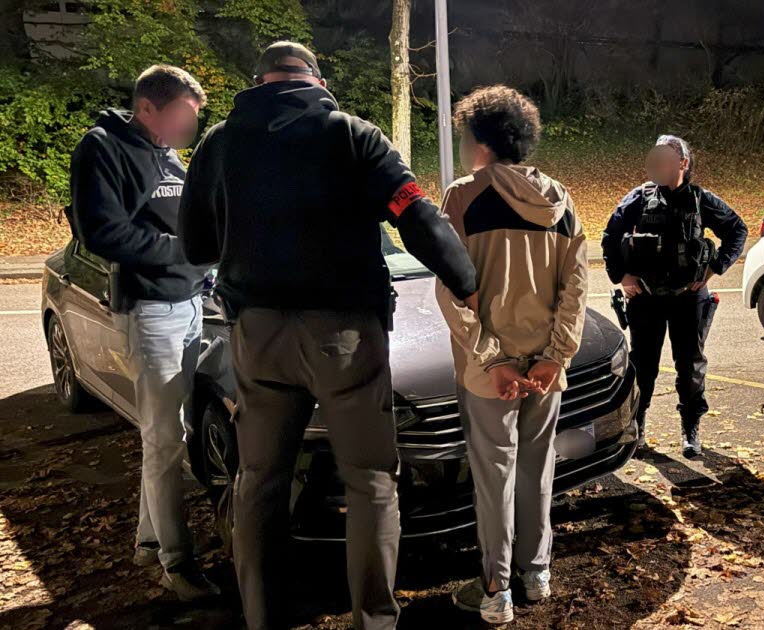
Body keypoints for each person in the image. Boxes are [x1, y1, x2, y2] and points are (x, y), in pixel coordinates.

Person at [177, 42, 477, 629]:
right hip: (345, 334)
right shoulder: (352, 135)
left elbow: (196, 247)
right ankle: (374, 619)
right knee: (369, 480)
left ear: (260, 79)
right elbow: (416, 215)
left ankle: (262, 616)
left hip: (258, 333)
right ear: (315, 78)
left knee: (259, 479)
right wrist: (468, 284)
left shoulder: (218, 143)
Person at [435, 85, 588, 625]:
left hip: (488, 373)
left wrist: (492, 359)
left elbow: (452, 290)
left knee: (494, 475)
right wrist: (555, 356)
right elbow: (577, 288)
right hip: (545, 370)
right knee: (535, 469)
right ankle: (537, 574)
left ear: (478, 140)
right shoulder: (562, 199)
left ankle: (496, 589)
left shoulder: (462, 196)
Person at [68, 65, 219, 601]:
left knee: (165, 433)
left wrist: (206, 268)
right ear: (150, 106)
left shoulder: (167, 153)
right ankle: (177, 564)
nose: (189, 126)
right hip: (151, 310)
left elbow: (181, 222)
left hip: (190, 304)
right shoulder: (103, 147)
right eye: (183, 114)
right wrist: (185, 252)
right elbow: (103, 231)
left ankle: (149, 543)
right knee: (163, 439)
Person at [602, 135, 747, 459]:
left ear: (683, 163)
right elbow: (610, 235)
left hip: (688, 297)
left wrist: (715, 268)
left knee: (690, 367)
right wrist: (621, 276)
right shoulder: (639, 197)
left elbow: (737, 230)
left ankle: (690, 430)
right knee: (643, 367)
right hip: (647, 298)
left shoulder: (700, 200)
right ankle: (636, 428)